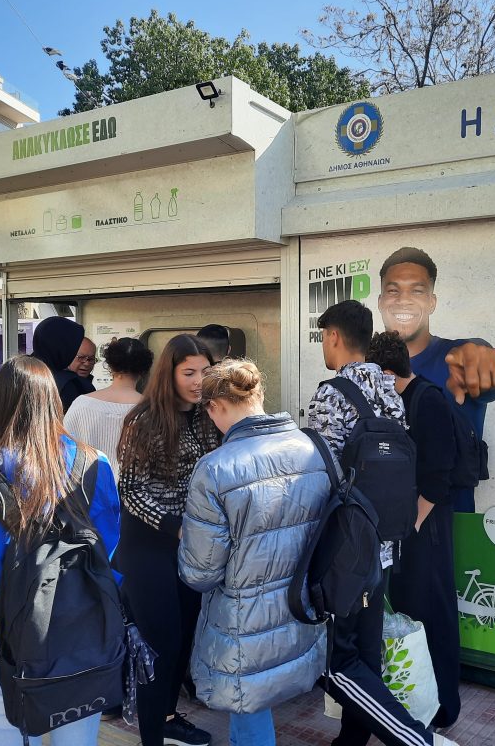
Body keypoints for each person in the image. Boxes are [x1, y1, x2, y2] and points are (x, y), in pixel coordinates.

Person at [0, 355, 120, 746]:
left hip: (5, 640)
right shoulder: (96, 464)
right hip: (83, 635)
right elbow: (110, 550)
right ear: (53, 403)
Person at [308, 301, 455, 746]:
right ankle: (351, 739)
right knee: (366, 651)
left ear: (334, 336)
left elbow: (320, 476)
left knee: (340, 661)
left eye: (324, 338)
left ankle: (414, 739)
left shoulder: (331, 393)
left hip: (344, 550)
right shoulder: (390, 391)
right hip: (383, 544)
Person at [179, 359, 331, 746]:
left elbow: (200, 573)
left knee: (248, 706)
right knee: (256, 705)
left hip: (242, 620)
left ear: (215, 406)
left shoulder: (215, 468)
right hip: (300, 607)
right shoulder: (313, 447)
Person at [118, 334, 221, 746]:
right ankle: (151, 736)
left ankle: (168, 717)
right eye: (189, 372)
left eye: (205, 372)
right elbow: (130, 490)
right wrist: (174, 525)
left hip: (192, 545)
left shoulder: (208, 415)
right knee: (160, 644)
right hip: (149, 547)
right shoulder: (144, 420)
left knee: (184, 640)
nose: (198, 381)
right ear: (170, 373)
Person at [366, 330, 462, 728]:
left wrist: (413, 526)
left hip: (427, 526)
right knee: (409, 611)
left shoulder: (429, 400)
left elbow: (439, 477)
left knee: (433, 613)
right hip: (405, 527)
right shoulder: (396, 401)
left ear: (389, 373)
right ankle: (415, 700)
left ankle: (443, 708)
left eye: (376, 376)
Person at [378, 247, 495, 511]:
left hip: (451, 529)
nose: (404, 300)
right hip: (380, 525)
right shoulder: (365, 369)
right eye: (393, 290)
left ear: (432, 302)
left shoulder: (456, 358)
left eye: (417, 291)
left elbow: (490, 373)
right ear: (381, 301)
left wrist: (486, 362)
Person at [64, 337, 153, 479]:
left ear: (110, 365)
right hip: (136, 491)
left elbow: (64, 451)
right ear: (144, 370)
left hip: (87, 488)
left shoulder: (81, 404)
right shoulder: (153, 409)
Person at [30, 316, 94, 412]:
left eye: (91, 359)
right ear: (63, 347)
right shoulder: (70, 385)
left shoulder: (18, 372)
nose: (86, 363)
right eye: (73, 347)